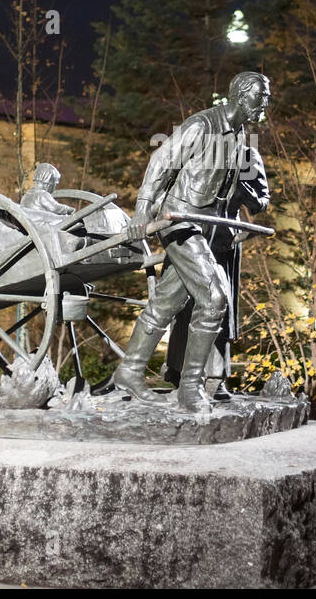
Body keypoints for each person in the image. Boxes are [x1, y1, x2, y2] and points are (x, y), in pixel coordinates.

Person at [108, 72, 272, 413]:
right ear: (242, 97)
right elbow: (160, 163)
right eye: (262, 96)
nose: (266, 102)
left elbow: (232, 189)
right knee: (215, 297)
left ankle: (130, 370)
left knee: (166, 302)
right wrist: (141, 211)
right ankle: (190, 387)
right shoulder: (201, 126)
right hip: (180, 222)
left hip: (205, 227)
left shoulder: (240, 135)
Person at [163, 144, 268, 401]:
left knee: (219, 307)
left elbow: (261, 203)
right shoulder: (196, 149)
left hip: (222, 241)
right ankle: (177, 372)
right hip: (186, 236)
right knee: (181, 307)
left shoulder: (246, 156)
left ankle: (215, 377)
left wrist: (240, 187)